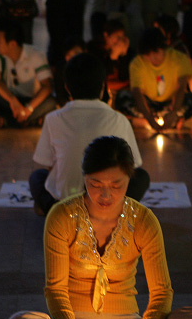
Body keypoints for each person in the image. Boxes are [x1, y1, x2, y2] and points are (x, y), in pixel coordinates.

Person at [7, 136, 192, 319]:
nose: (105, 194)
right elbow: (56, 288)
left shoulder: (143, 220)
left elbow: (161, 291)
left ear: (130, 179)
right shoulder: (62, 216)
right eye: (95, 184)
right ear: (84, 177)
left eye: (116, 185)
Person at [29, 53, 150, 216]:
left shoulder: (53, 119)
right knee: (142, 177)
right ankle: (117, 213)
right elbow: (132, 168)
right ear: (103, 87)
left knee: (37, 177)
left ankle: (55, 212)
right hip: (107, 205)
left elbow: (50, 166)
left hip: (67, 207)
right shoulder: (119, 119)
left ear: (67, 87)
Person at [125, 27, 192, 132]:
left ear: (164, 48)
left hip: (170, 104)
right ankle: (149, 120)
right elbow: (137, 92)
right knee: (123, 97)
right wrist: (148, 116)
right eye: (148, 55)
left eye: (156, 53)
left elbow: (181, 87)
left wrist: (174, 111)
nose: (152, 58)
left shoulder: (179, 58)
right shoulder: (137, 63)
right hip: (149, 105)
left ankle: (173, 117)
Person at [0, 19, 56, 128]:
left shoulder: (35, 55)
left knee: (50, 102)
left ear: (12, 44)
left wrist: (28, 108)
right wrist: (12, 100)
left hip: (32, 100)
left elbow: (47, 86)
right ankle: (27, 120)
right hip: (9, 100)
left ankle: (11, 121)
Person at [86, 19, 134, 106]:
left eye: (122, 37)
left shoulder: (127, 51)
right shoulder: (94, 49)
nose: (120, 41)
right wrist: (113, 57)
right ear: (106, 35)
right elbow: (101, 76)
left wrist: (123, 55)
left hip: (121, 89)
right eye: (117, 37)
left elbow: (124, 77)